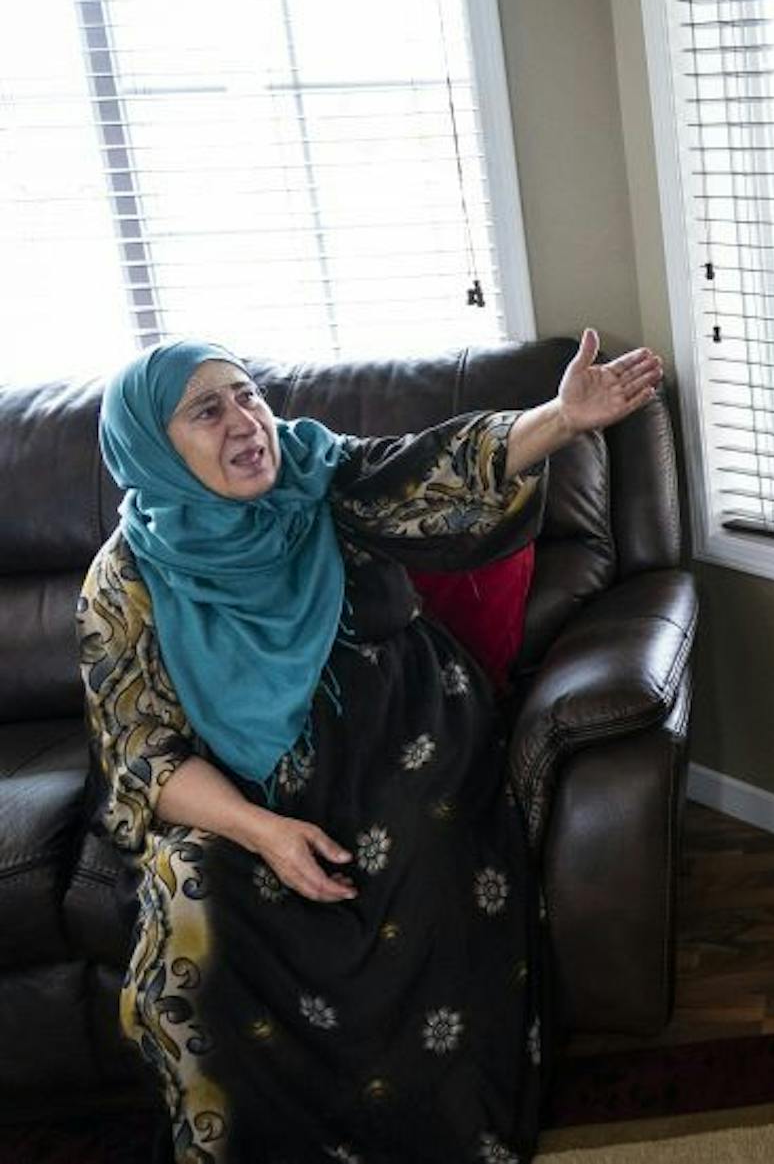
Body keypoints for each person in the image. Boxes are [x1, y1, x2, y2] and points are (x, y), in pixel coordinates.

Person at [80, 330, 663, 1162]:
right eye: (206, 410)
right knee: (186, 895)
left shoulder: (324, 476)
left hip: (411, 741)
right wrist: (264, 833)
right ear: (149, 445)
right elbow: (139, 750)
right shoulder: (123, 581)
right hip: (253, 801)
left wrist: (560, 419)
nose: (246, 420)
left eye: (248, 394)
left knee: (422, 872)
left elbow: (438, 467)